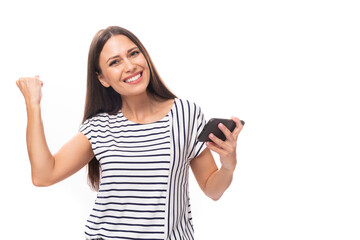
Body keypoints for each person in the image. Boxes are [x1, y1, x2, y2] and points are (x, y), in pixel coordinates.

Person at [16, 26, 244, 240]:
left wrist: (227, 165)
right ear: (102, 78)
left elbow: (213, 191)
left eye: (133, 54)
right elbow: (44, 175)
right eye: (115, 62)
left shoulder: (185, 114)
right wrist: (32, 104)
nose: (129, 66)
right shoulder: (99, 127)